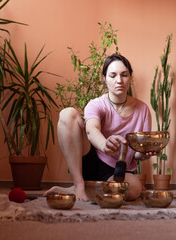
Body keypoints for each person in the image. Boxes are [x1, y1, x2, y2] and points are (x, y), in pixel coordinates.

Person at [44, 53, 156, 201]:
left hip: (119, 171)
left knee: (133, 190)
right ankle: (79, 184)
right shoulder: (96, 104)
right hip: (92, 160)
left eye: (124, 75)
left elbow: (137, 153)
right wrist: (104, 144)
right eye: (113, 75)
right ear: (104, 79)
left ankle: (83, 190)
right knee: (68, 114)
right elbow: (91, 130)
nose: (119, 81)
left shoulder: (143, 109)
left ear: (130, 77)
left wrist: (143, 154)